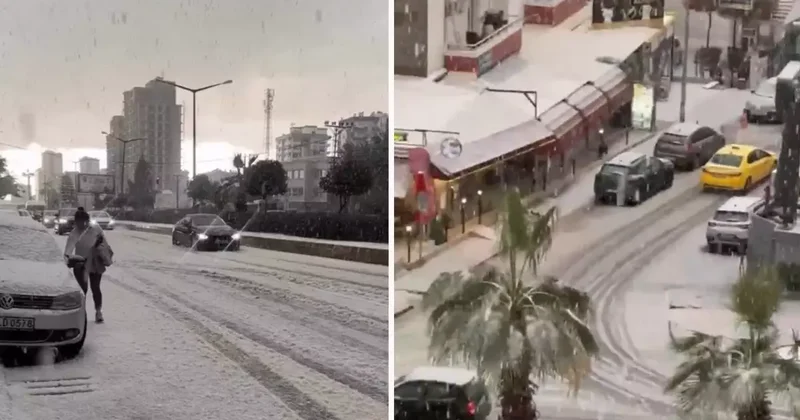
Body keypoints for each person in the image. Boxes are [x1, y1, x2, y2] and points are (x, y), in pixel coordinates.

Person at [64, 207, 113, 323]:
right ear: (75, 222)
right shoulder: (74, 234)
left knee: (95, 288)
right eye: (79, 222)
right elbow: (68, 252)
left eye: (84, 222)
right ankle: (81, 313)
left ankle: (98, 311)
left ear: (87, 220)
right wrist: (69, 260)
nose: (81, 224)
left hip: (95, 263)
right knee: (82, 290)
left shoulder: (95, 229)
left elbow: (104, 244)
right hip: (80, 264)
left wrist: (100, 248)